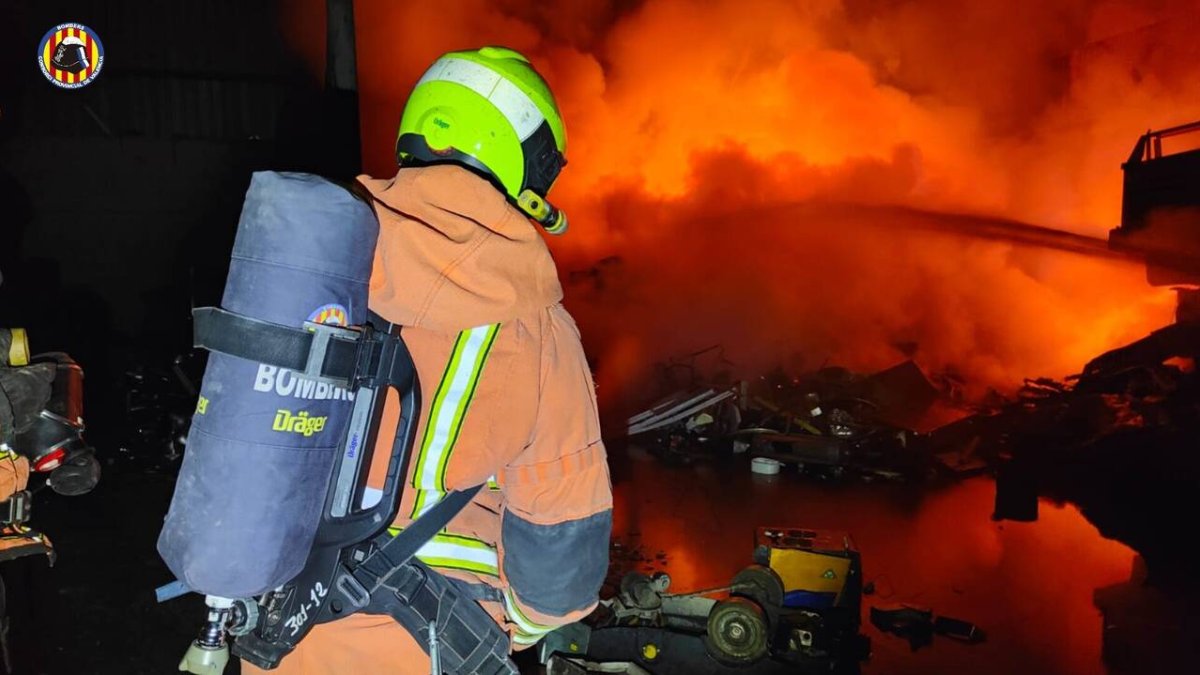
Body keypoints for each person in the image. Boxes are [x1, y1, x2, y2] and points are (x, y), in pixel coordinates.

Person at [244, 46, 613, 674]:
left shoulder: (318, 266)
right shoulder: (537, 325)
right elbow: (560, 552)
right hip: (430, 644)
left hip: (278, 634)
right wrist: (513, 628)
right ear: (525, 160)